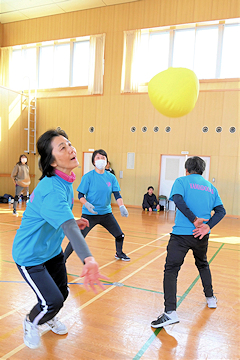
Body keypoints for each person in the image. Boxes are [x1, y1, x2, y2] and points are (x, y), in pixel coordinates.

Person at [12, 129, 107, 350]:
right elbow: (69, 228)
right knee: (52, 300)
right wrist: (88, 259)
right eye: (62, 147)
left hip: (52, 251)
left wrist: (71, 218)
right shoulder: (52, 188)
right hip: (31, 255)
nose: (71, 149)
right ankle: (32, 321)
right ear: (52, 162)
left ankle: (48, 317)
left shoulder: (64, 180)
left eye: (69, 144)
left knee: (62, 293)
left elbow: (55, 214)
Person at [151, 156, 226, 328]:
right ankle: (210, 298)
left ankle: (170, 312)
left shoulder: (181, 181)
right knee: (203, 264)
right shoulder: (211, 187)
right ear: (202, 170)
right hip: (201, 236)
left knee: (171, 270)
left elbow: (177, 200)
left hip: (181, 236)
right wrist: (207, 227)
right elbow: (221, 211)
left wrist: (193, 219)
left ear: (186, 170)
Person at [64, 149, 130, 262]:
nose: (101, 160)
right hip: (90, 214)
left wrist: (122, 206)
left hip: (106, 214)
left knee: (120, 235)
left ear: (106, 161)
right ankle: (62, 260)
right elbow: (80, 194)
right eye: (98, 158)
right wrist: (87, 204)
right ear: (94, 162)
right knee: (77, 238)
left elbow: (117, 194)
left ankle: (119, 253)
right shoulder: (88, 177)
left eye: (103, 158)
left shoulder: (111, 177)